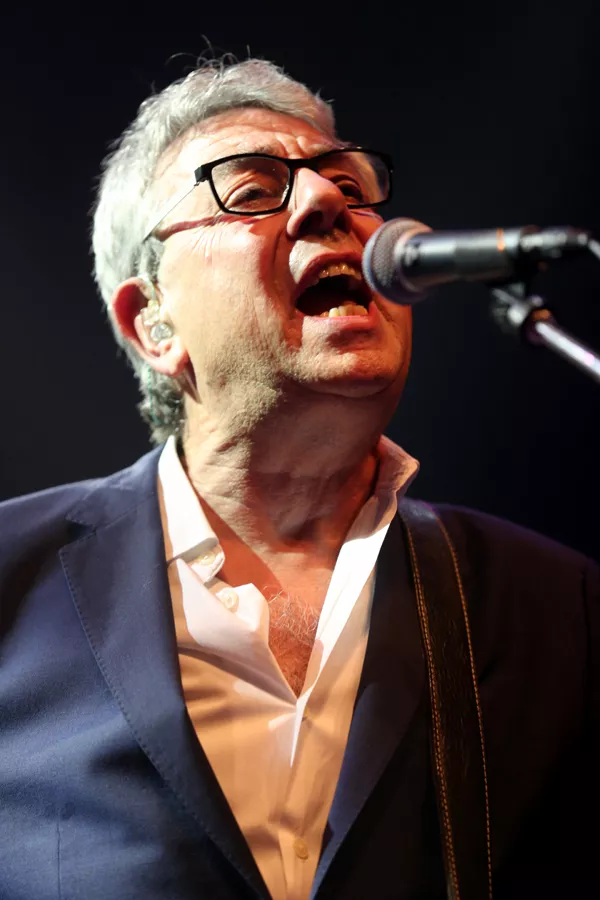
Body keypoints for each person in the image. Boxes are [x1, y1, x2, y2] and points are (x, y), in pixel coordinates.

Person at [0, 57, 598, 900]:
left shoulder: (558, 607)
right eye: (251, 191)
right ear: (153, 322)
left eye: (350, 185)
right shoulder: (11, 580)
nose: (327, 203)